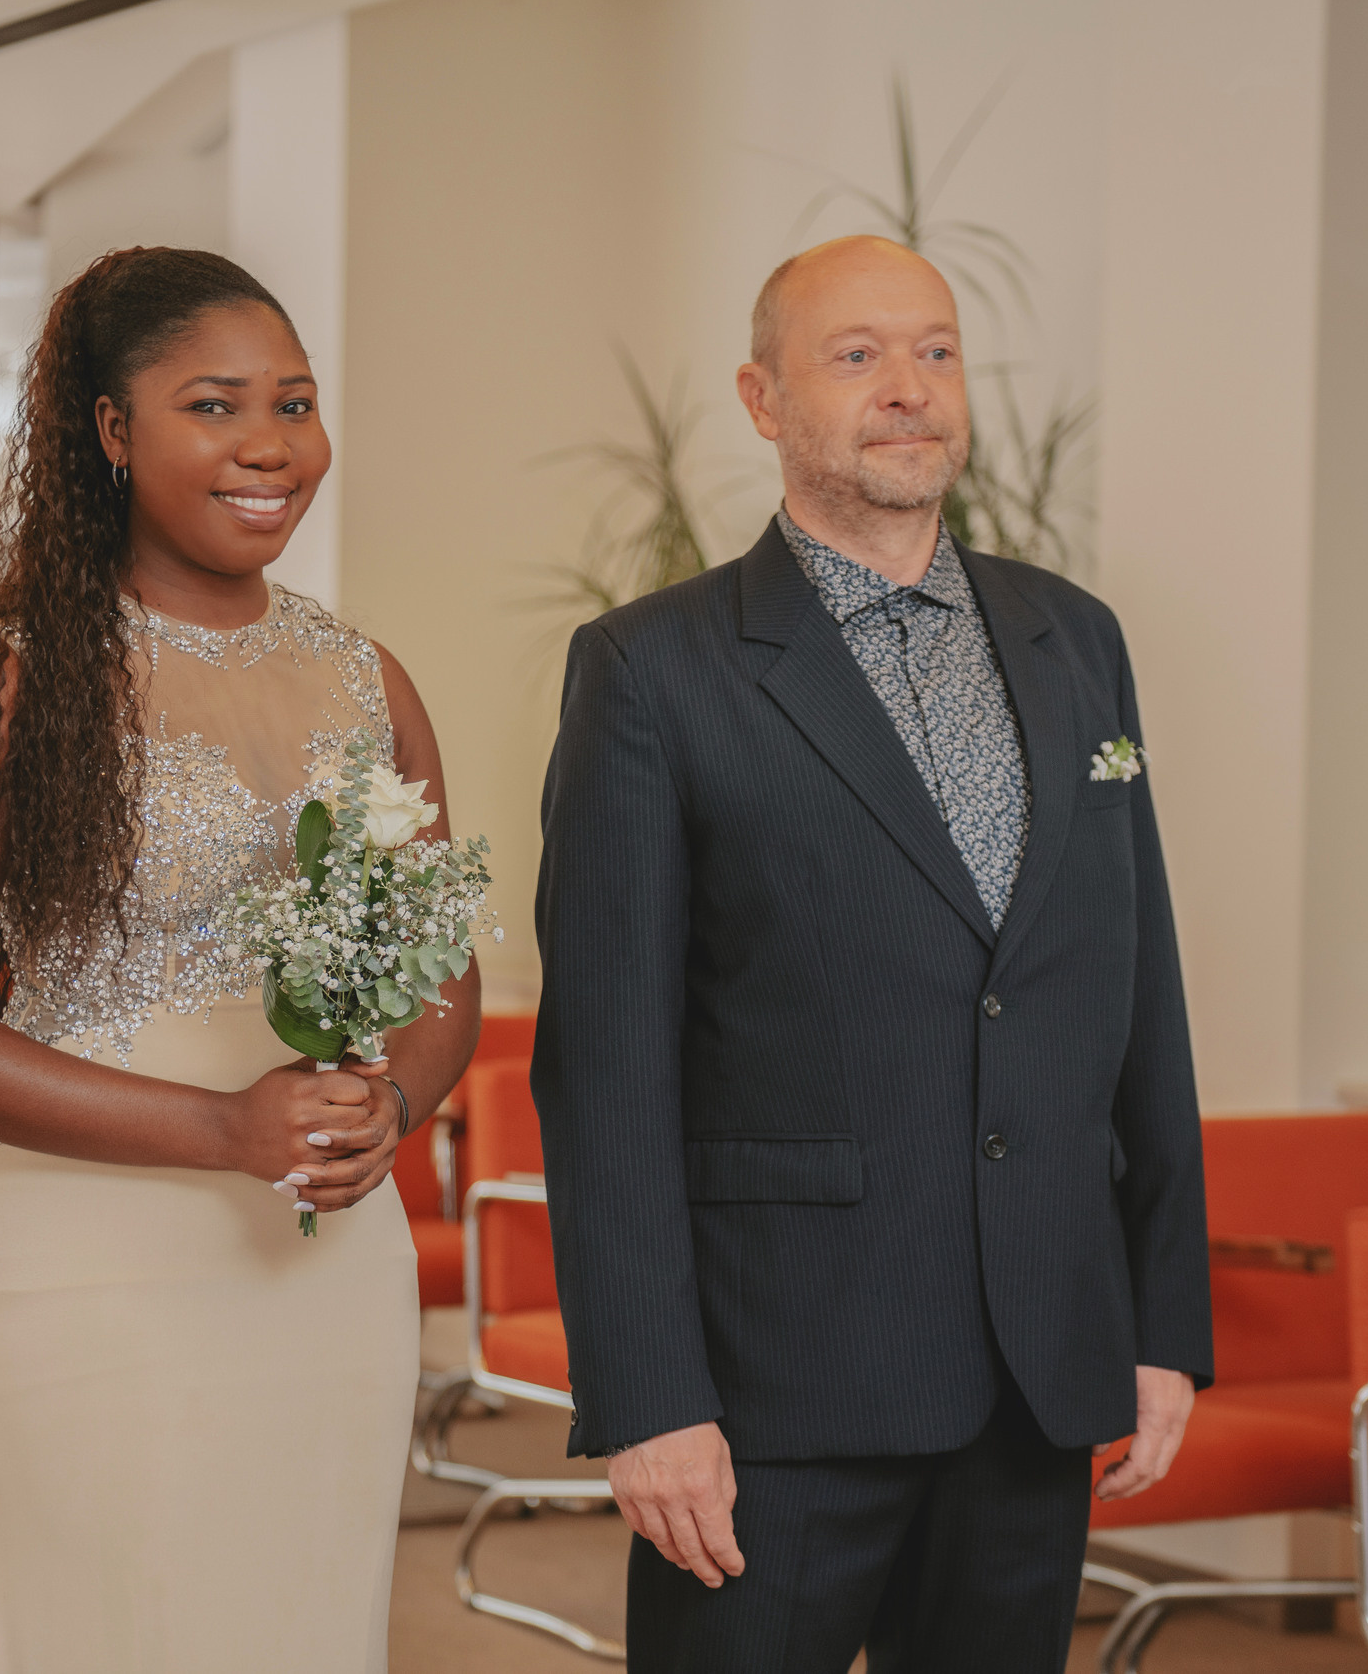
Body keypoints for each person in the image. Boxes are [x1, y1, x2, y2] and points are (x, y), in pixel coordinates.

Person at [533, 235, 1211, 1673]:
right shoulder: (654, 670)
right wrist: (650, 1396)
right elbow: (607, 1069)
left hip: (1038, 1369)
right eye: (856, 357)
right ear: (763, 399)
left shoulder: (1077, 641)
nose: (908, 389)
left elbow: (1135, 995)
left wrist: (1162, 1321)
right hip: (773, 1391)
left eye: (937, 351)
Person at [0, 245, 479, 1673]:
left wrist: (394, 1104)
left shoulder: (370, 678)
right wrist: (219, 1126)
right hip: (99, 1265)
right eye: (215, 403)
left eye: (295, 402)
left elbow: (443, 973)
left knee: (309, 1627)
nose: (270, 446)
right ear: (112, 434)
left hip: (329, 1266)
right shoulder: (9, 678)